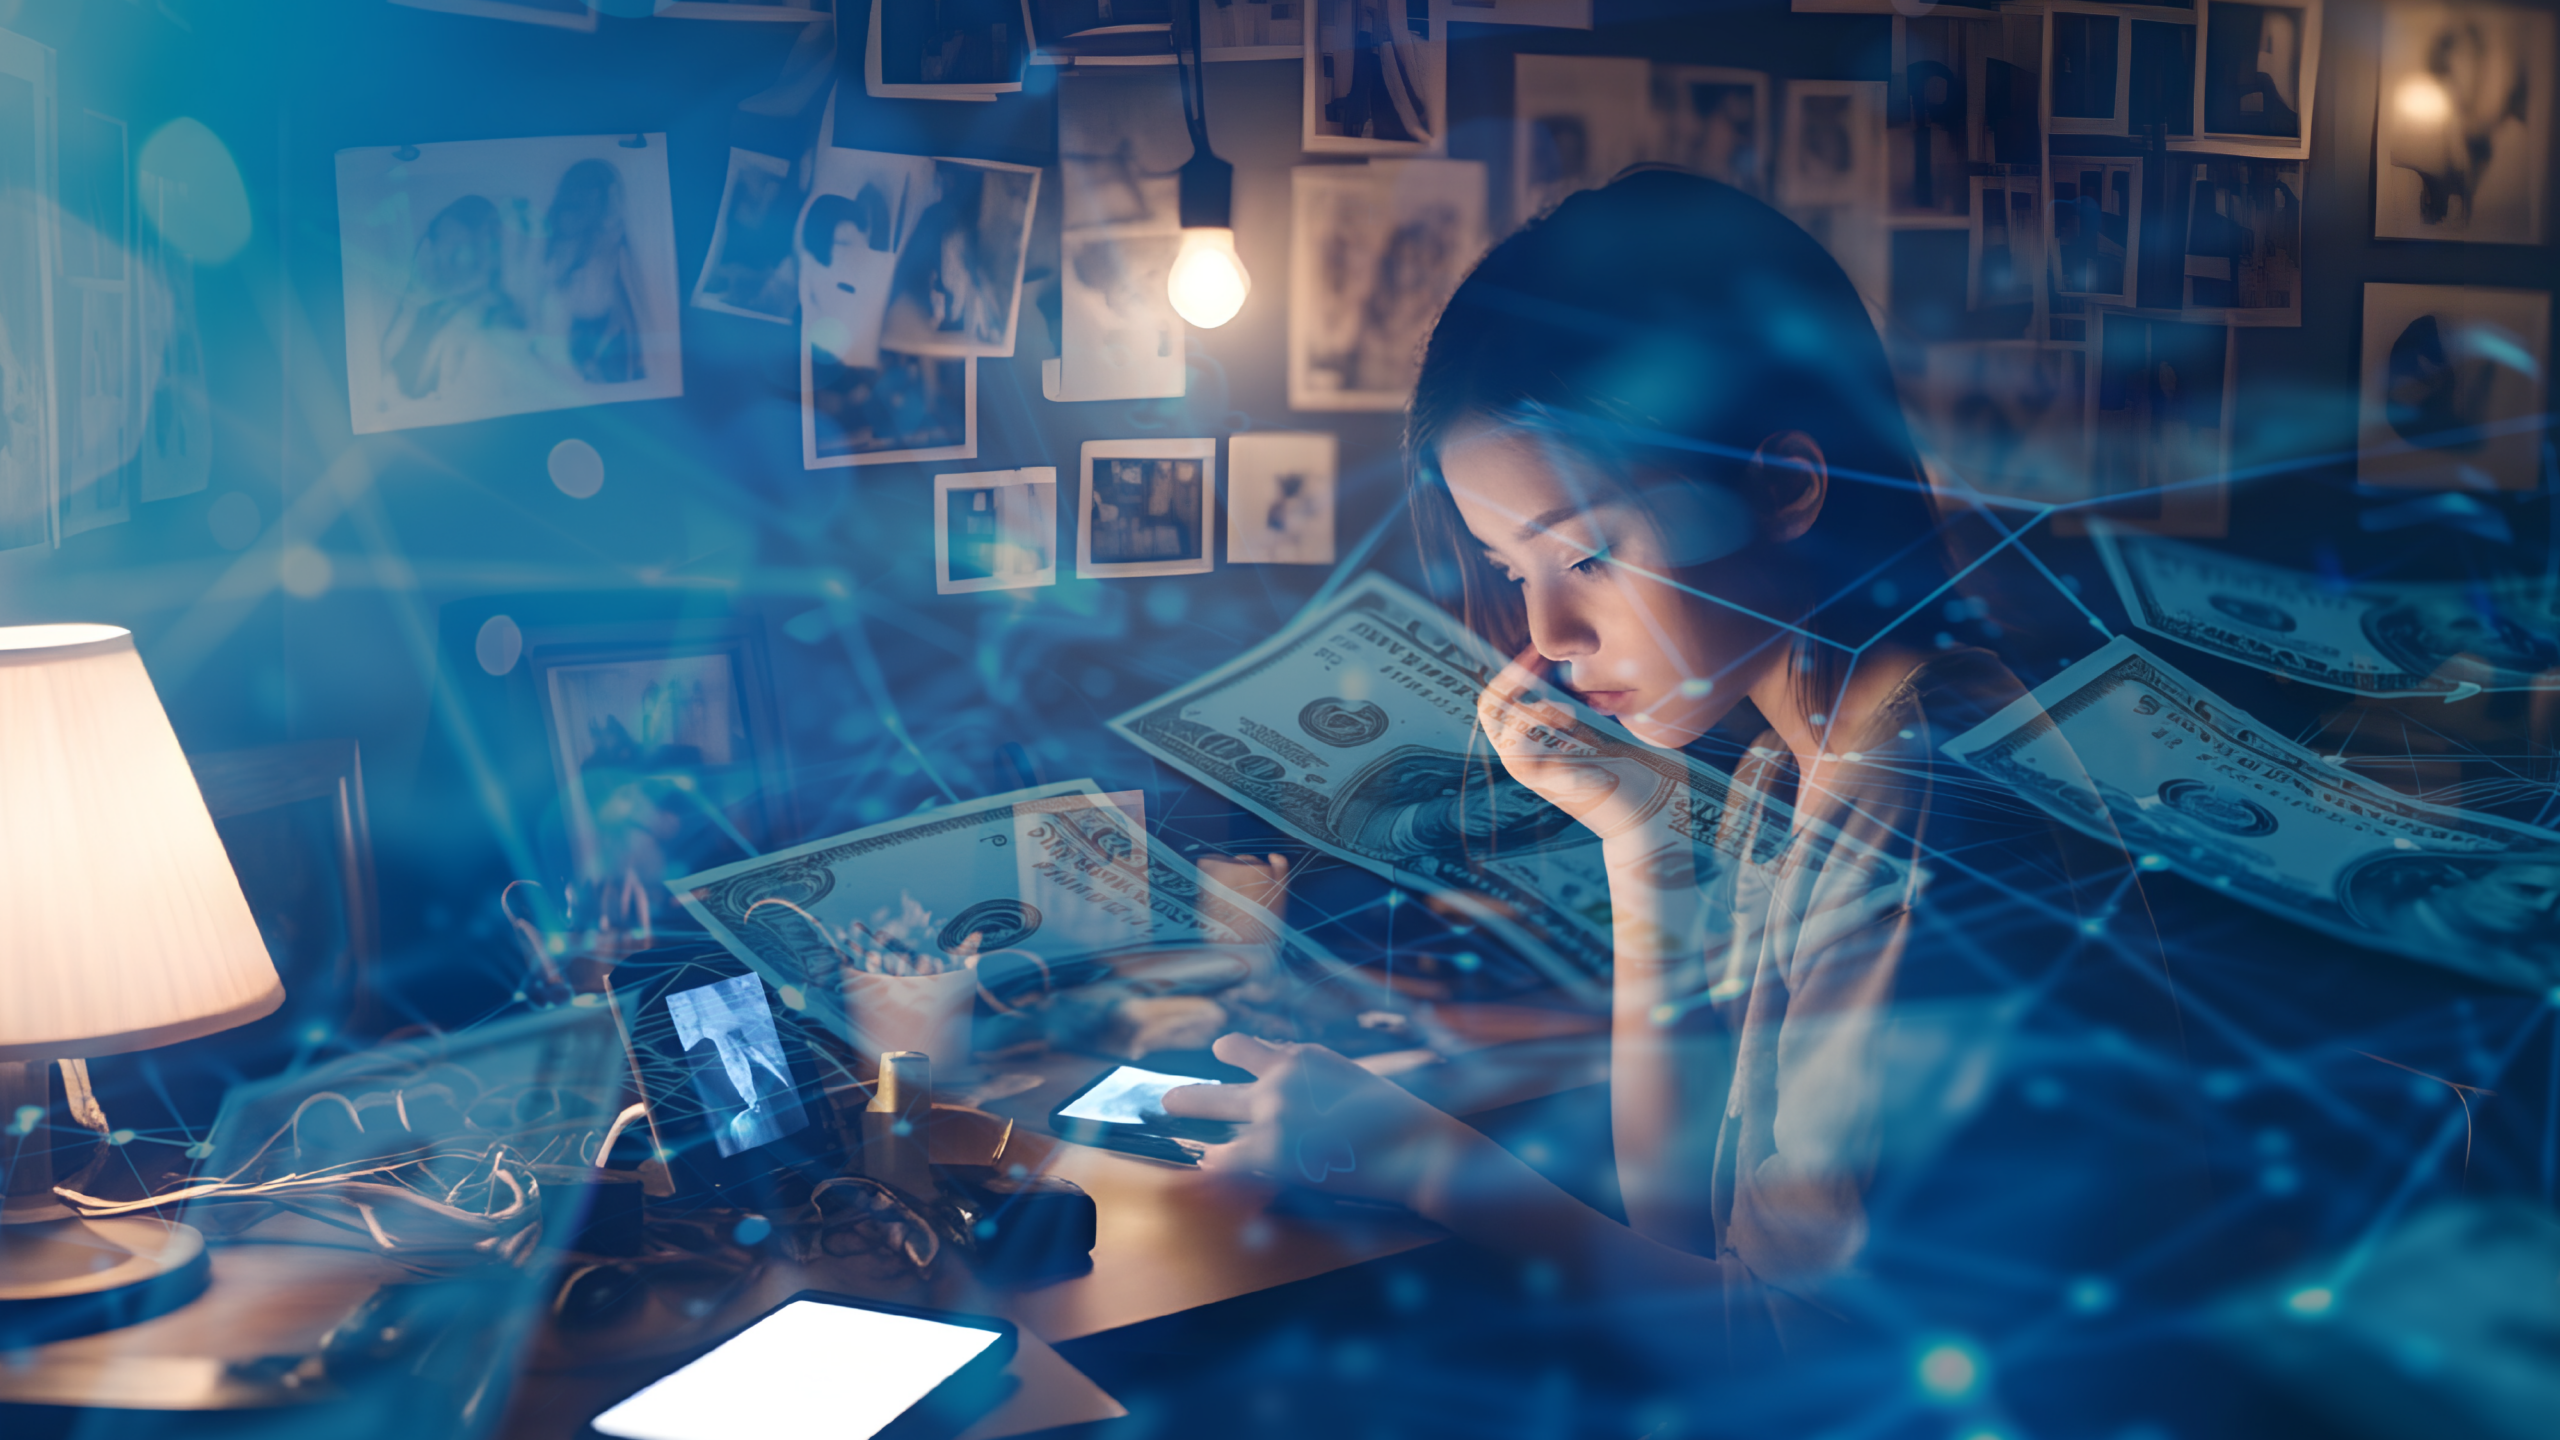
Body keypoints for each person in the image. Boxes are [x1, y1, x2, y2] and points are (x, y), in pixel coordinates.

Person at [1163, 172, 2198, 1362]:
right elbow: (1695, 1232)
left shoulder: (1919, 791)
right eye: (1513, 573)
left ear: (1783, 486)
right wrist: (1635, 836)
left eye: (1588, 555)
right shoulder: (1797, 760)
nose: (1546, 632)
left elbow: (1779, 1346)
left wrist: (1417, 1158)